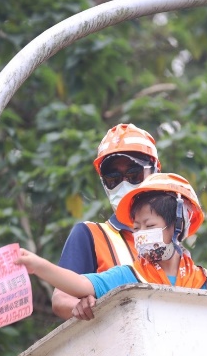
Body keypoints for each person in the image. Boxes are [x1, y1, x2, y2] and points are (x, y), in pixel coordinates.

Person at [16, 173, 207, 300]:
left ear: (178, 226)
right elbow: (79, 284)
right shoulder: (129, 276)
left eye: (149, 225)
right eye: (137, 228)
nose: (141, 235)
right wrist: (39, 266)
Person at [52, 123, 161, 320]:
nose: (124, 183)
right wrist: (84, 307)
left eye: (134, 174)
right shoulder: (90, 235)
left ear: (155, 172)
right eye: (113, 178)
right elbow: (61, 299)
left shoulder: (171, 237)